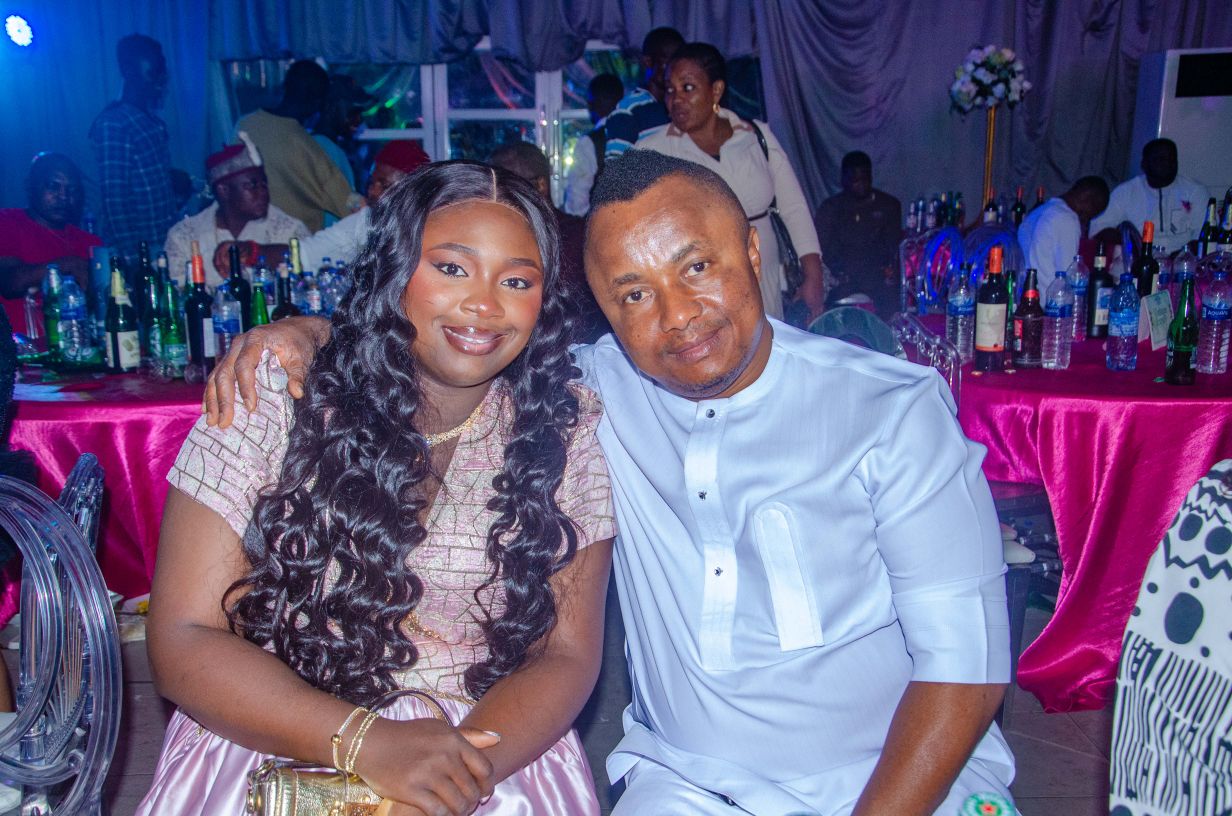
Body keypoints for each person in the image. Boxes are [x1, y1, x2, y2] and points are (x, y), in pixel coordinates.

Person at [206, 149, 1016, 816]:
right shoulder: (591, 395)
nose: (677, 315)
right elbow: (449, 341)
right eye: (633, 294)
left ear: (752, 251)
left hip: (901, 782)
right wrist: (308, 331)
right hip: (688, 786)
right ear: (601, 310)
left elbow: (967, 671)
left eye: (696, 267)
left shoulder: (893, 410)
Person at [138, 161, 615, 816]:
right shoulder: (275, 395)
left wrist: (451, 775)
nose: (484, 303)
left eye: (516, 280)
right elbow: (183, 635)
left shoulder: (563, 428)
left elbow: (564, 654)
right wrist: (366, 742)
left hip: (489, 741)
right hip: (285, 731)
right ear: (395, 271)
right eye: (452, 268)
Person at [637, 42, 824, 322]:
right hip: (698, 282)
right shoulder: (652, 150)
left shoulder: (755, 135)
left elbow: (793, 206)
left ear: (716, 90)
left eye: (688, 88)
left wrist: (813, 273)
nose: (676, 99)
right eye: (670, 90)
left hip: (764, 273)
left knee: (768, 339)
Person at [489, 142, 608, 342]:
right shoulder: (495, 239)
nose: (495, 197)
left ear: (540, 185)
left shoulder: (581, 237)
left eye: (507, 188)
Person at [163, 136, 309, 288]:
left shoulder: (288, 229)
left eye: (264, 183)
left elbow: (309, 269)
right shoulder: (184, 236)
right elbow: (175, 292)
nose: (263, 192)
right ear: (223, 190)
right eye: (252, 185)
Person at [235, 60, 363, 232]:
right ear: (317, 103)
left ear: (285, 87)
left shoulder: (244, 126)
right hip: (296, 244)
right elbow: (349, 201)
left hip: (248, 238)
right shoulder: (309, 149)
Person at [88, 34, 180, 256]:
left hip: (163, 242)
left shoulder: (151, 121)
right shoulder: (114, 122)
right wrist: (135, 259)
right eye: (154, 72)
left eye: (162, 71)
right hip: (140, 252)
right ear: (129, 71)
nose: (161, 79)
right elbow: (115, 201)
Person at [0, 153, 101, 334]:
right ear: (30, 186)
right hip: (20, 346)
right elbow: (8, 282)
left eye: (72, 190)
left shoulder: (90, 242)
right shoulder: (7, 222)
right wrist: (64, 266)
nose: (64, 196)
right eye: (53, 186)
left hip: (77, 345)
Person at [296, 140, 431, 271]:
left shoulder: (433, 228)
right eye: (371, 183)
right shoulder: (367, 221)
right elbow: (306, 254)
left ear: (413, 194)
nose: (372, 192)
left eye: (385, 186)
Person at [813, 151, 902, 317]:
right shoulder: (831, 209)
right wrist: (837, 274)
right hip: (842, 278)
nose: (861, 184)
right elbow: (821, 249)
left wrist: (886, 272)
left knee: (891, 308)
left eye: (865, 179)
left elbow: (893, 248)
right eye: (855, 180)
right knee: (829, 313)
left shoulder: (888, 205)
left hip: (876, 278)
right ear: (844, 179)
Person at [1090, 138, 1209, 257]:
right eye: (1160, 159)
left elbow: (1203, 236)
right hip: (1137, 259)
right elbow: (1097, 229)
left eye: (1172, 159)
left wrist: (1180, 257)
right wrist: (1129, 241)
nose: (1167, 164)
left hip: (1184, 261)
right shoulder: (1126, 192)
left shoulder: (1195, 191)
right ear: (1144, 165)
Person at [602, 27, 685, 160]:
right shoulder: (628, 110)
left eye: (680, 63)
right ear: (648, 62)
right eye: (668, 62)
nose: (675, 69)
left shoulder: (684, 105)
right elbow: (616, 169)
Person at [1018, 176, 1110, 292]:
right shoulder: (1068, 219)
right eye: (1092, 213)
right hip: (1048, 300)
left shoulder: (1037, 212)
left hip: (1024, 297)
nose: (1086, 220)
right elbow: (1068, 276)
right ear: (1087, 199)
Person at [563, 73, 625, 216]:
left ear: (596, 102)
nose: (589, 105)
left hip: (601, 223)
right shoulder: (638, 132)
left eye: (590, 101)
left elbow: (577, 201)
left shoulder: (589, 142)